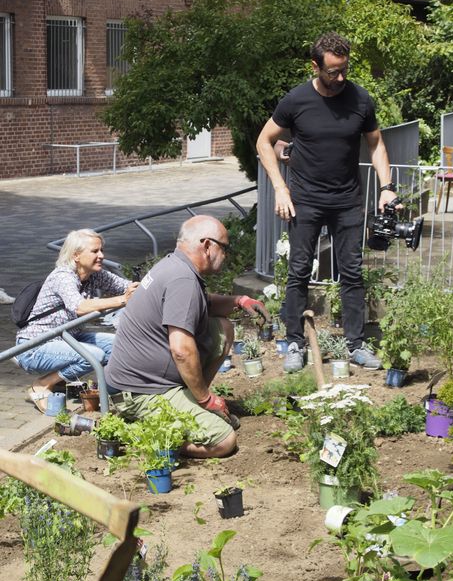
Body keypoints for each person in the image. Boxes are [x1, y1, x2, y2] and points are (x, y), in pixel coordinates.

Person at [256, 32, 400, 373]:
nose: (339, 78)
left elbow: (376, 144)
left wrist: (386, 186)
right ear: (315, 66)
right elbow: (265, 141)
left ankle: (355, 345)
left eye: (344, 69)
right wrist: (280, 188)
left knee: (351, 272)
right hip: (304, 200)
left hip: (348, 201)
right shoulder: (296, 100)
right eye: (332, 71)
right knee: (299, 271)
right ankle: (294, 341)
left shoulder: (360, 99)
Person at [105, 215, 268, 459]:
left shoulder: (175, 266)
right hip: (142, 392)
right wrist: (206, 400)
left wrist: (239, 301)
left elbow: (201, 303)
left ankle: (190, 400)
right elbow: (181, 350)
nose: (226, 254)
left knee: (223, 329)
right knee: (224, 441)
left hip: (144, 381)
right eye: (224, 247)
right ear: (207, 245)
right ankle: (139, 434)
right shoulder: (183, 279)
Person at [16, 229, 139, 413]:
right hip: (35, 346)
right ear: (76, 255)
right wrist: (122, 300)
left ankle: (109, 391)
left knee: (117, 344)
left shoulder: (94, 274)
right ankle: (42, 384)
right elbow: (79, 306)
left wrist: (151, 286)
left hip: (66, 337)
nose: (101, 256)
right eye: (95, 251)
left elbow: (126, 286)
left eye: (102, 250)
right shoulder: (63, 276)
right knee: (95, 356)